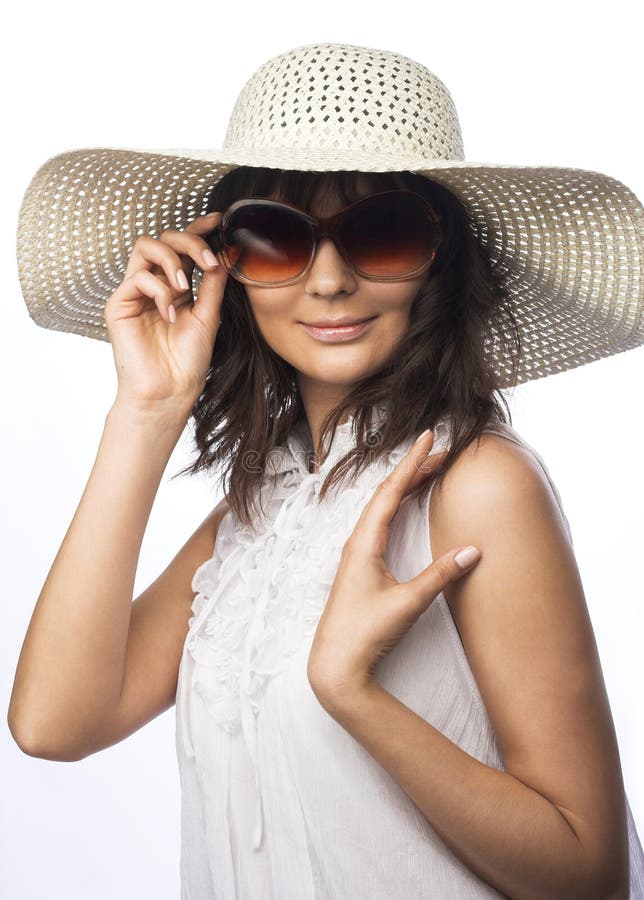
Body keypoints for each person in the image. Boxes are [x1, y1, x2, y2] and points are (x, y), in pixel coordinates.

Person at [9, 41, 644, 899]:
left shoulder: (477, 486)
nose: (332, 281)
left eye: (383, 232)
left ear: (440, 259)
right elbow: (53, 723)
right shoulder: (266, 504)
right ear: (223, 263)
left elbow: (589, 873)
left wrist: (354, 692)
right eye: (275, 238)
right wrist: (147, 410)